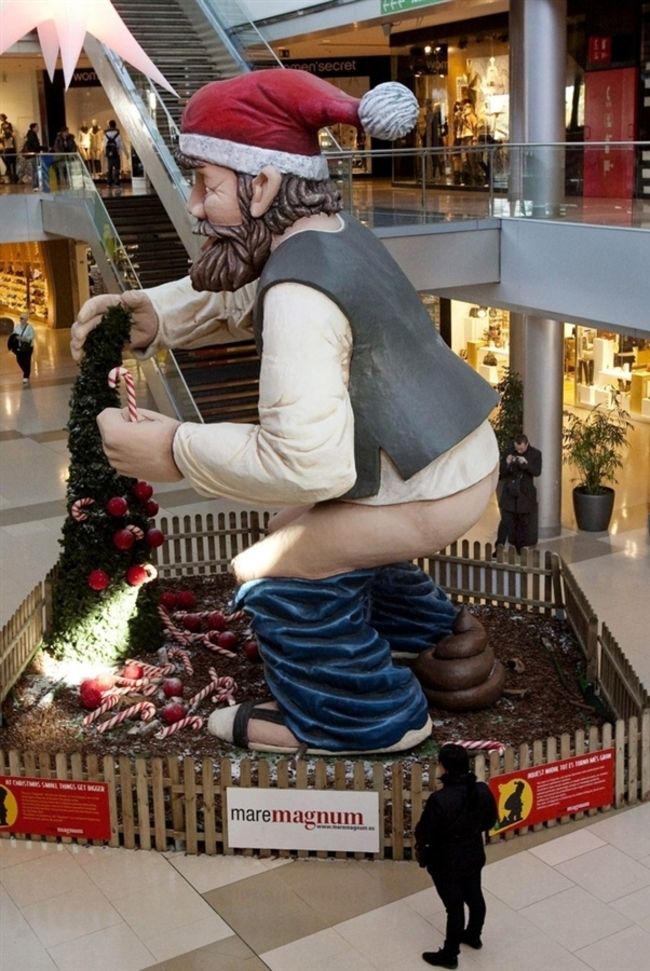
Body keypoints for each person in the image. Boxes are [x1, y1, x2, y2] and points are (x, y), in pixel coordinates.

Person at [70, 69, 500, 756]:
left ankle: (364, 717)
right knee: (300, 531)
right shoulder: (327, 234)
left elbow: (304, 463)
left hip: (423, 486)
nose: (195, 205)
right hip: (444, 458)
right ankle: (425, 634)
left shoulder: (301, 293)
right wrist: (152, 314)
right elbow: (239, 290)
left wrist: (173, 449)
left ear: (263, 184)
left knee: (270, 568)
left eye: (207, 184)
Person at [414, 743, 497, 968]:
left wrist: (425, 848)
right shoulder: (481, 790)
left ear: (444, 767)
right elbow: (490, 820)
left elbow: (425, 831)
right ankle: (474, 935)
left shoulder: (440, 799)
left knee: (454, 907)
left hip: (446, 860)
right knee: (475, 896)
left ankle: (450, 954)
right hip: (473, 853)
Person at [495, 433, 542, 553]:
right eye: (517, 448)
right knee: (505, 522)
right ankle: (498, 548)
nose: (519, 451)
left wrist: (526, 464)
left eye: (521, 449)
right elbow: (502, 472)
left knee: (522, 524)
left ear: (526, 444)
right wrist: (507, 462)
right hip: (510, 493)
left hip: (524, 495)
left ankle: (520, 550)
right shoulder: (510, 451)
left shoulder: (535, 454)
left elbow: (537, 472)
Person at [9, 312, 35, 385]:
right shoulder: (17, 326)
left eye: (22, 318)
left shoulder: (29, 327)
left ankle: (26, 376)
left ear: (26, 319)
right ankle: (26, 371)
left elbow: (32, 336)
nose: (21, 320)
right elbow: (13, 334)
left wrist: (24, 339)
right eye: (20, 318)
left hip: (27, 348)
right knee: (19, 360)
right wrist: (15, 337)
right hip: (19, 347)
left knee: (27, 361)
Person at [22, 123, 42, 190]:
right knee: (35, 170)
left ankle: (36, 185)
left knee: (34, 170)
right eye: (37, 127)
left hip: (33, 154)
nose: (38, 128)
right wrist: (44, 148)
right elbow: (35, 146)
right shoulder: (32, 135)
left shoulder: (31, 134)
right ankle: (35, 186)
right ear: (34, 128)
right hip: (33, 155)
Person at [104, 120, 122, 189]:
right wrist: (120, 152)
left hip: (109, 154)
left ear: (109, 125)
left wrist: (106, 152)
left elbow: (104, 144)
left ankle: (109, 183)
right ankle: (116, 182)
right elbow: (120, 145)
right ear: (115, 125)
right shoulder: (118, 134)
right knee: (117, 168)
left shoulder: (106, 134)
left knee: (109, 168)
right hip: (116, 154)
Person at [0, 116, 18, 184]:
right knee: (8, 164)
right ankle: (10, 178)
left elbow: (14, 140)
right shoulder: (3, 135)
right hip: (7, 149)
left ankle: (14, 178)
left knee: (13, 164)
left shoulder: (11, 134)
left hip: (11, 149)